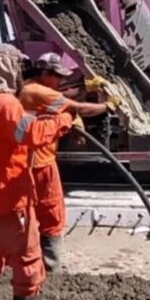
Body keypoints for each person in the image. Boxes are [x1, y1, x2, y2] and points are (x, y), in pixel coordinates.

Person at [0, 44, 78, 300]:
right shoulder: (5, 104)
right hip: (8, 200)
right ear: (7, 68)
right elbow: (32, 133)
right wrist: (64, 120)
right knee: (28, 260)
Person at [19, 53, 114, 273]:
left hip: (31, 160)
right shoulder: (37, 92)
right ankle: (50, 266)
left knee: (34, 212)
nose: (61, 80)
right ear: (45, 74)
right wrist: (107, 106)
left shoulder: (31, 87)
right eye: (57, 76)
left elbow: (62, 95)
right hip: (39, 162)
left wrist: (85, 86)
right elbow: (76, 107)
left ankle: (33, 259)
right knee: (51, 211)